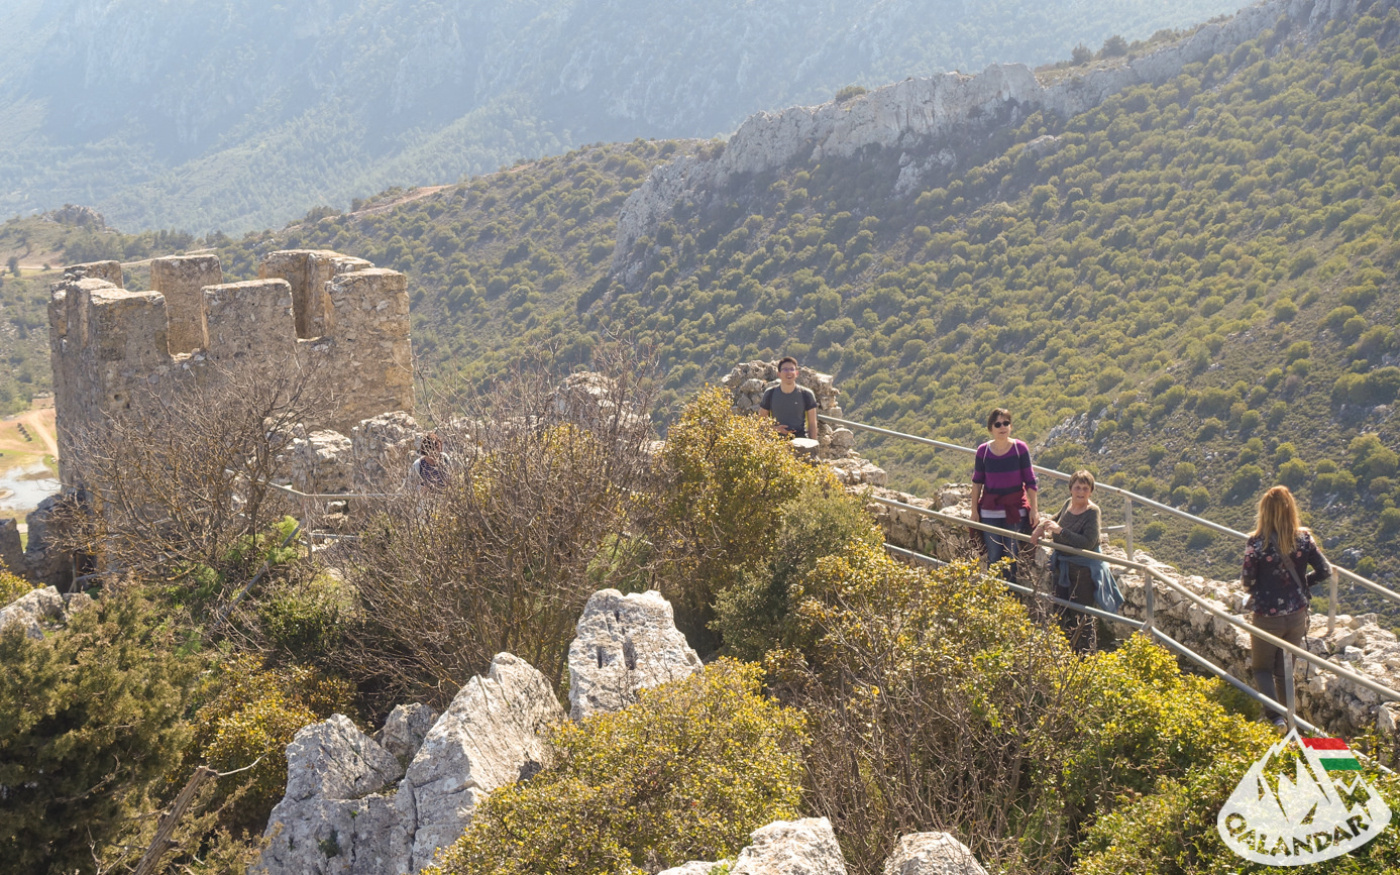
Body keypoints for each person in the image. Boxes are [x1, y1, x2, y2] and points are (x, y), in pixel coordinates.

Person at [1241, 485, 1330, 729]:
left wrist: (1261, 587)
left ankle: (1276, 718)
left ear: (1264, 512)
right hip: (1297, 615)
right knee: (1284, 669)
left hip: (1267, 616)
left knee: (1261, 669)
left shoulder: (1256, 543)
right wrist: (1302, 586)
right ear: (1291, 510)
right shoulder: (1304, 538)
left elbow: (1247, 581)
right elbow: (1325, 571)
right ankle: (1291, 720)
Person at [1033, 470, 1110, 652]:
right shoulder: (1068, 503)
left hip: (1082, 570)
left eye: (1085, 488)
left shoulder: (1092, 512)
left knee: (1082, 614)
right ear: (1070, 489)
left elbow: (1088, 542)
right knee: (1060, 610)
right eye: (1077, 487)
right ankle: (1062, 652)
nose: (1081, 492)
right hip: (1062, 566)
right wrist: (1041, 527)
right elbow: (1056, 518)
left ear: (1091, 491)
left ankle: (1085, 657)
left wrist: (1061, 532)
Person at [969, 407, 1038, 582]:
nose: (1002, 427)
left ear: (1011, 426)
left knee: (1011, 557)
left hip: (1015, 511)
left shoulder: (1019, 449)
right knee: (993, 557)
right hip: (989, 511)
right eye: (998, 424)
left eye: (1006, 423)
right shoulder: (983, 452)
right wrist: (974, 511)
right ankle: (993, 597)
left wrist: (1034, 509)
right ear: (990, 428)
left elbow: (1030, 481)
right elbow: (977, 482)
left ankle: (1010, 600)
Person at [760, 356, 819, 440]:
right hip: (776, 444)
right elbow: (761, 422)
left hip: (800, 443)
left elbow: (812, 423)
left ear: (796, 373)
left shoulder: (806, 394)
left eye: (792, 369)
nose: (789, 372)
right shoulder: (770, 393)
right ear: (779, 374)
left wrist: (813, 445)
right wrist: (776, 429)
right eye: (785, 369)